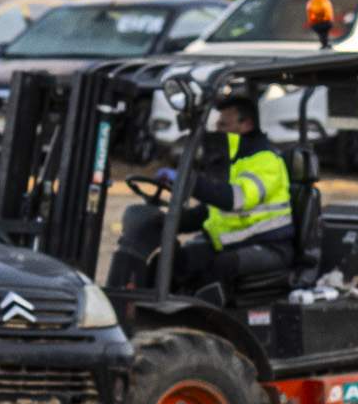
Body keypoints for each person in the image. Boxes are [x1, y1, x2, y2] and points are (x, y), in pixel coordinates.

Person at [106, 88, 295, 297]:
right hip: (230, 243)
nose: (217, 129)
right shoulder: (231, 163)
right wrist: (167, 222)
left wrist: (189, 181)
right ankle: (140, 307)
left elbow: (233, 199)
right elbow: (210, 212)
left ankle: (203, 323)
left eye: (224, 124)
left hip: (269, 247)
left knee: (220, 266)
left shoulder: (266, 161)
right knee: (169, 262)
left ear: (246, 124)